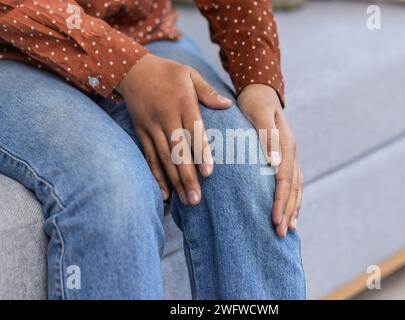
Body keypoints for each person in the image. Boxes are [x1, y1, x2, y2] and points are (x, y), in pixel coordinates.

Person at [0, 0, 305, 299]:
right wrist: (124, 66)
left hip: (140, 33)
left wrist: (259, 82)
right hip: (12, 54)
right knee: (115, 190)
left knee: (241, 155)